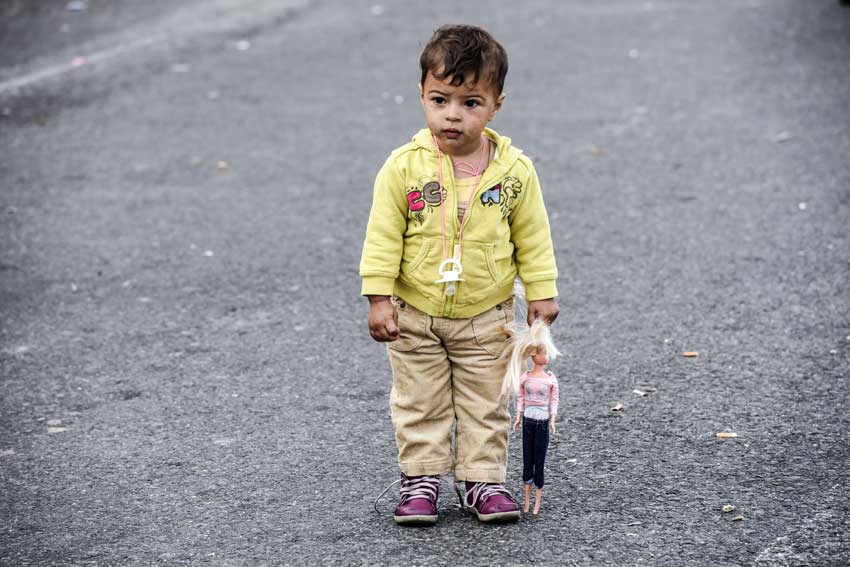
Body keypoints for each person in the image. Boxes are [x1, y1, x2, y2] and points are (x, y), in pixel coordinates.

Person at [360, 24, 559, 525]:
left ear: (496, 105)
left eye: (471, 102)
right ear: (422, 97)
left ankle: (481, 480)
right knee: (418, 399)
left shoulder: (514, 173)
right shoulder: (403, 168)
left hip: (486, 314)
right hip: (415, 312)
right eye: (440, 99)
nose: (453, 114)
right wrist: (378, 297)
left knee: (486, 402)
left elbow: (533, 236)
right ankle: (421, 479)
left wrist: (541, 292)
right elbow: (383, 235)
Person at [507, 319, 561, 515]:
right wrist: (518, 416)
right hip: (529, 420)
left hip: (542, 420)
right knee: (527, 459)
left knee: (540, 459)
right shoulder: (526, 377)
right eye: (542, 352)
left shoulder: (550, 379)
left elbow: (554, 400)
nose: (546, 356)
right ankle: (527, 502)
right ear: (533, 354)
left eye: (546, 352)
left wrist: (553, 419)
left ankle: (536, 502)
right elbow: (521, 397)